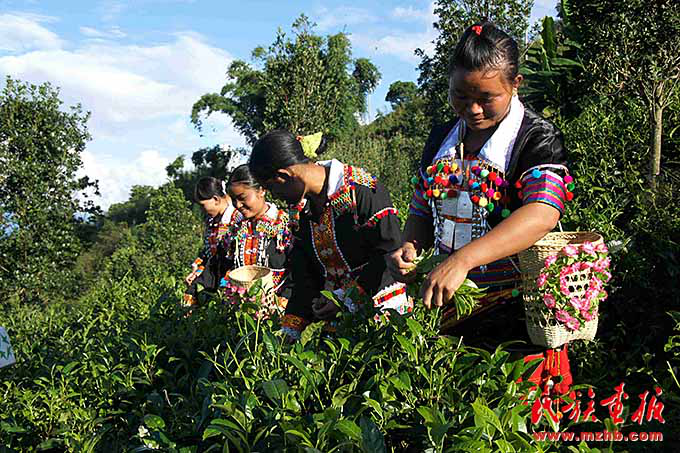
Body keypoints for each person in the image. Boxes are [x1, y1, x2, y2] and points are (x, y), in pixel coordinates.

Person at [386, 23, 576, 394]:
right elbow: (422, 208)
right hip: (448, 315)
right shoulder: (442, 138)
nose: (472, 110)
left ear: (515, 84)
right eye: (460, 96)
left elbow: (542, 213)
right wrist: (410, 247)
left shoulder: (536, 138)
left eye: (487, 98)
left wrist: (462, 261)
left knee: (512, 416)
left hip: (516, 318)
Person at [248, 130, 412, 341]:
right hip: (339, 324)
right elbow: (305, 273)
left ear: (284, 176)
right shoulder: (300, 211)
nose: (274, 197)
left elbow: (389, 254)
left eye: (272, 188)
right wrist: (292, 326)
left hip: (382, 315)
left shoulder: (361, 190)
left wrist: (345, 298)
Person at [221, 164, 293, 315]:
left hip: (279, 313)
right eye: (233, 200)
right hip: (241, 315)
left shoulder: (284, 226)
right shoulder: (235, 229)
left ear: (261, 190)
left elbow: (300, 271)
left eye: (242, 198)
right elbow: (218, 265)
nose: (237, 205)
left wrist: (282, 302)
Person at [183, 176, 240, 308]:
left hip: (229, 279)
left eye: (203, 205)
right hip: (211, 275)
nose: (202, 210)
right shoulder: (211, 221)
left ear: (215, 199)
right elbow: (208, 253)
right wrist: (197, 271)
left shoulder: (236, 219)